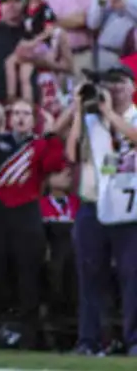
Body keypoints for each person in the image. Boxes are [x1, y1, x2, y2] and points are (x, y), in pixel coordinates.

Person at [0, 98, 67, 349]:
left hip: (28, 211)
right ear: (10, 118)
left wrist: (54, 134)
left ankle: (29, 337)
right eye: (17, 114)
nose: (21, 118)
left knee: (29, 276)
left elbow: (54, 165)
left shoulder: (39, 145)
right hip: (0, 211)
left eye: (27, 113)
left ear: (34, 121)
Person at [66, 66, 137, 356]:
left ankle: (134, 340)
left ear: (132, 86)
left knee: (132, 276)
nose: (116, 89)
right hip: (93, 205)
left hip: (129, 209)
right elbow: (71, 154)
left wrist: (109, 115)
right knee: (89, 274)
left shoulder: (132, 116)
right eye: (110, 84)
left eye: (121, 83)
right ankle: (89, 340)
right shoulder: (91, 119)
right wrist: (77, 111)